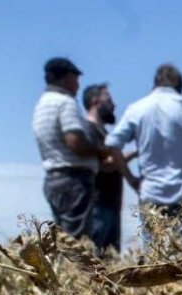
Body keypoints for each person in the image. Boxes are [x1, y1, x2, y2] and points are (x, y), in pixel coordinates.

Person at [105, 64, 182, 234]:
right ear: (180, 86)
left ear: (155, 84)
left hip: (150, 191)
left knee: (155, 255)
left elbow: (113, 143)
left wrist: (130, 179)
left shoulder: (137, 108)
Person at [32, 58, 114, 240]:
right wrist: (101, 151)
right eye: (76, 79)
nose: (78, 85)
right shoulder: (65, 102)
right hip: (74, 181)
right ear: (66, 78)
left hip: (53, 178)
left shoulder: (42, 104)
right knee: (78, 244)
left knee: (64, 240)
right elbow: (75, 142)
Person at [83, 83, 139, 254]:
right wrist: (137, 152)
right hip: (98, 204)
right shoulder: (87, 129)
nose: (113, 105)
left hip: (110, 204)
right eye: (109, 100)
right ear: (95, 100)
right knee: (94, 258)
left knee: (108, 261)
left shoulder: (102, 133)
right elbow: (105, 165)